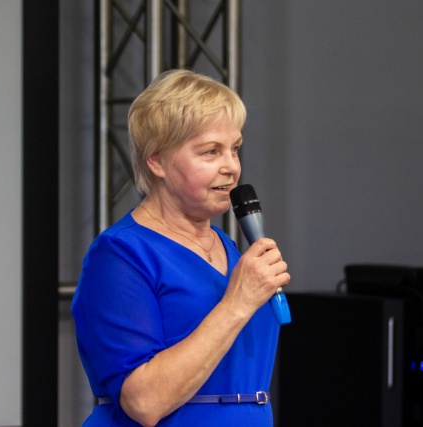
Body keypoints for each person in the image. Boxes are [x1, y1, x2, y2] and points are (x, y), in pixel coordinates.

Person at [72, 69, 290, 427]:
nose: (231, 167)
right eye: (211, 151)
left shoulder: (229, 247)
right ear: (157, 160)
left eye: (234, 149)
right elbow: (143, 402)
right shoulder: (119, 255)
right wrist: (237, 303)